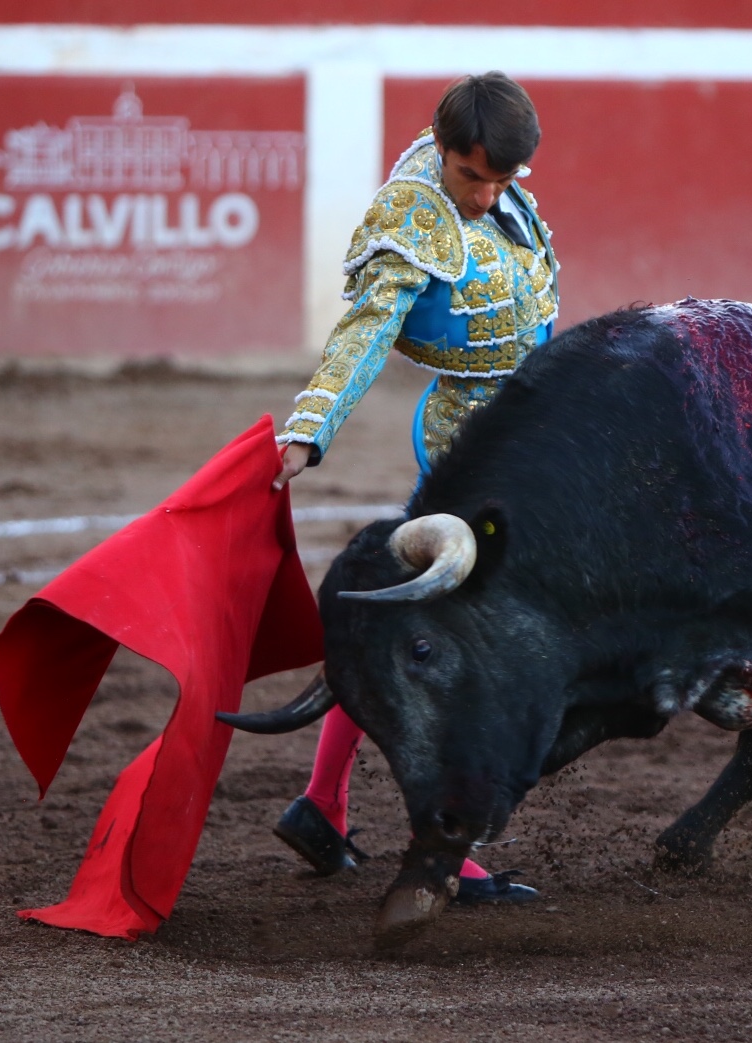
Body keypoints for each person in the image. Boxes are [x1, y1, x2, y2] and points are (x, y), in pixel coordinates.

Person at [269, 72, 558, 905]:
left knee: (412, 629)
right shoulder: (413, 217)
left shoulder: (492, 184)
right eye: (473, 177)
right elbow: (365, 331)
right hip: (471, 449)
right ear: (442, 150)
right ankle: (446, 849)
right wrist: (309, 428)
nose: (488, 194)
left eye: (503, 179)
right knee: (465, 646)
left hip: (525, 432)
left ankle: (321, 803)